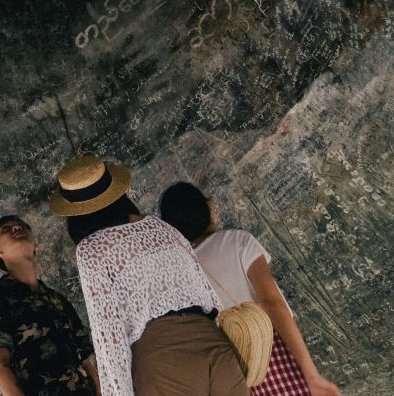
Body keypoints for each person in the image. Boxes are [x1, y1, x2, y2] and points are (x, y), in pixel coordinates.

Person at [49, 155, 248, 396]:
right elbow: (209, 295)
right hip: (214, 343)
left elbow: (109, 335)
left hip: (161, 358)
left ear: (76, 213)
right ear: (117, 192)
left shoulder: (92, 249)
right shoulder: (161, 228)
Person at [159, 182, 341, 396]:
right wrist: (311, 374)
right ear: (204, 209)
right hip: (274, 352)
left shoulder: (180, 272)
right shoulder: (238, 241)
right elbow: (271, 302)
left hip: (234, 374)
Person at [0, 214, 102, 395]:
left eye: (22, 225)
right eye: (6, 228)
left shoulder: (58, 299)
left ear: (35, 245)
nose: (16, 227)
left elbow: (85, 361)